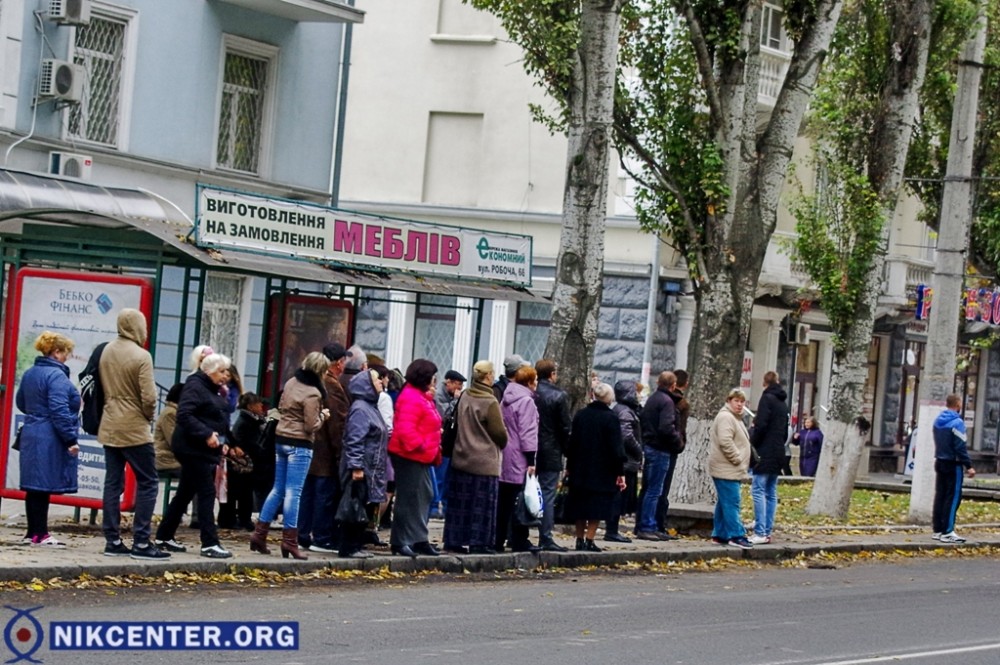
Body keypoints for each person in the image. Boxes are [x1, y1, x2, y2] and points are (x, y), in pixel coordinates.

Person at [98, 308, 169, 559]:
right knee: (149, 482)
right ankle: (141, 542)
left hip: (109, 424)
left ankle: (112, 539)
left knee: (112, 483)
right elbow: (149, 397)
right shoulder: (141, 356)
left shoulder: (107, 350)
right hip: (134, 428)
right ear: (138, 327)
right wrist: (147, 417)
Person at [250, 352, 332, 560]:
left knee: (278, 489)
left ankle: (259, 534)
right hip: (300, 445)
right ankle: (290, 541)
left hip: (281, 439)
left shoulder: (291, 382)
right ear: (321, 371)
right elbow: (310, 425)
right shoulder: (314, 393)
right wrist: (323, 415)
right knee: (294, 493)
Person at [154, 353, 235, 558]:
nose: (226, 376)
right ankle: (209, 543)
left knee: (185, 493)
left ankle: (164, 536)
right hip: (192, 448)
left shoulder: (211, 389)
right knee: (206, 492)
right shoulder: (195, 386)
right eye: (222, 371)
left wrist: (226, 442)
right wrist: (206, 434)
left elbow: (216, 417)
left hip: (201, 447)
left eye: (227, 371)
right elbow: (185, 415)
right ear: (209, 371)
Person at [15, 331, 81, 548]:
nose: (67, 357)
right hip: (49, 436)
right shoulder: (57, 377)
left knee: (34, 486)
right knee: (43, 486)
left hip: (31, 432)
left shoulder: (30, 373)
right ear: (56, 352)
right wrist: (70, 439)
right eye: (66, 353)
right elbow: (59, 410)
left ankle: (32, 533)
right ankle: (41, 534)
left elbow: (21, 402)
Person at [444, 360, 508, 554]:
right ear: (488, 376)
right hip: (484, 461)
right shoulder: (490, 402)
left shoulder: (465, 395)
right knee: (481, 505)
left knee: (459, 504)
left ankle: (453, 540)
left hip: (461, 456)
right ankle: (479, 542)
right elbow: (499, 433)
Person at [298, 342, 351, 553]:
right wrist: (340, 453)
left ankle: (302, 534)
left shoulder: (310, 379)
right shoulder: (331, 384)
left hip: (310, 446)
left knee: (308, 493)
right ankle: (321, 537)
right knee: (323, 496)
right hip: (325, 451)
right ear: (338, 363)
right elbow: (337, 423)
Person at [387, 359, 442, 558]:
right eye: (432, 377)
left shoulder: (420, 396)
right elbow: (405, 429)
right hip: (410, 455)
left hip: (422, 456)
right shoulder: (411, 397)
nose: (435, 380)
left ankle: (419, 538)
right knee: (408, 499)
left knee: (424, 495)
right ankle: (400, 541)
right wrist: (422, 445)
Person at [565, 383, 626, 552]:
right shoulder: (611, 418)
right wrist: (620, 472)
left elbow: (572, 443)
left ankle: (579, 539)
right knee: (597, 506)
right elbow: (616, 448)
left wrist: (569, 466)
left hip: (580, 467)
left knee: (580, 505)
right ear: (609, 398)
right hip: (602, 470)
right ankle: (590, 539)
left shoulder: (581, 415)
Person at [339, 370, 389, 558]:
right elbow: (355, 439)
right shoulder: (361, 409)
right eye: (376, 380)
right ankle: (348, 547)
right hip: (362, 467)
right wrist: (356, 466)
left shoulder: (370, 407)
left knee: (361, 505)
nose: (381, 383)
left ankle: (355, 545)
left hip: (370, 466)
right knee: (353, 506)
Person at [496, 366, 539, 553]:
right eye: (535, 380)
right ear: (529, 382)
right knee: (520, 499)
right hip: (520, 454)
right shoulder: (526, 401)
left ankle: (498, 539)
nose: (536, 384)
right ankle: (519, 539)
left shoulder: (506, 398)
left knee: (504, 500)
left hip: (505, 452)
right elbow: (528, 431)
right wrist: (531, 460)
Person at [635, 371, 681, 541]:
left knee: (649, 488)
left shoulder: (653, 399)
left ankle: (646, 524)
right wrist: (678, 441)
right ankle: (648, 526)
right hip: (661, 449)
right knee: (655, 490)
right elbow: (666, 427)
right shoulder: (667, 402)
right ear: (673, 385)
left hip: (650, 445)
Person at [534, 359, 572, 552]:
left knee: (524, 491)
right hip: (551, 450)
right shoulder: (559, 396)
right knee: (547, 494)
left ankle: (515, 533)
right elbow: (565, 427)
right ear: (552, 374)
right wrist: (568, 452)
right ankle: (545, 536)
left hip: (530, 449)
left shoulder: (531, 393)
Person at [748, 370, 790, 545]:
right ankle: (766, 528)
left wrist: (753, 443)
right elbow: (785, 430)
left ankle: (760, 531)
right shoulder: (782, 402)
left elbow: (761, 425)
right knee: (771, 492)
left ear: (764, 383)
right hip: (778, 451)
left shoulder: (766, 399)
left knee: (758, 490)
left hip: (764, 451)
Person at [710, 388, 753, 549]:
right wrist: (737, 459)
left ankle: (719, 533)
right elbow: (725, 441)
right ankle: (736, 535)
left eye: (742, 402)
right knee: (732, 502)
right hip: (726, 468)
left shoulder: (735, 418)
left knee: (724, 502)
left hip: (729, 468)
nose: (740, 405)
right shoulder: (726, 417)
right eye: (736, 401)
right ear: (729, 401)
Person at [217, 392, 266, 531]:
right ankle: (238, 519)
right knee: (241, 493)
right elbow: (248, 442)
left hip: (244, 463)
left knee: (241, 493)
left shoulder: (251, 420)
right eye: (258, 403)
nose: (262, 405)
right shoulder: (247, 422)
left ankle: (236, 519)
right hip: (243, 464)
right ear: (250, 406)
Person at [932, 394, 975, 543]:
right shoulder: (957, 422)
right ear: (957, 404)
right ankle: (948, 531)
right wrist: (968, 465)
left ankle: (938, 529)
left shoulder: (938, 421)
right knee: (953, 497)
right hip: (954, 464)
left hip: (940, 461)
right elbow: (960, 446)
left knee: (940, 496)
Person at [606, 379, 643, 543]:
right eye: (635, 392)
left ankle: (612, 528)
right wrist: (638, 450)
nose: (638, 395)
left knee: (619, 496)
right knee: (618, 496)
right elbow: (626, 435)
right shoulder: (625, 412)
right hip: (626, 461)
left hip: (625, 460)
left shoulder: (623, 409)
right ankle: (612, 530)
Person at [655, 368, 690, 538]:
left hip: (655, 446)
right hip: (669, 448)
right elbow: (675, 428)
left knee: (654, 488)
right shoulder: (679, 403)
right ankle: (658, 524)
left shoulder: (656, 398)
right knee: (662, 488)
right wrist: (680, 443)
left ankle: (651, 523)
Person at [430, 369, 466, 519]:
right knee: (439, 476)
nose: (459, 389)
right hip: (441, 442)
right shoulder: (439, 396)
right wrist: (455, 401)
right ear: (448, 382)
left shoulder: (452, 396)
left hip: (451, 443)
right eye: (457, 385)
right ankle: (434, 506)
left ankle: (445, 505)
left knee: (448, 477)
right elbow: (444, 415)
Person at [153, 383, 184, 477]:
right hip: (166, 460)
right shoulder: (170, 414)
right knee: (201, 472)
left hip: (171, 458)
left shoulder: (174, 412)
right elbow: (174, 441)